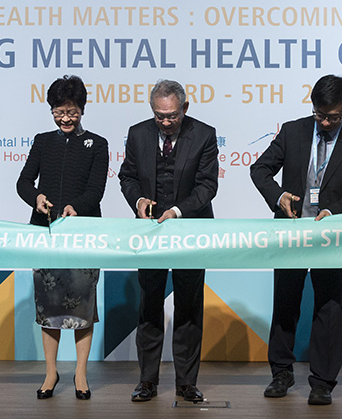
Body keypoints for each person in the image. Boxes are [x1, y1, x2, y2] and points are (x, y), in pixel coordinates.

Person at [250, 74, 342, 406]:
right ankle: (281, 373)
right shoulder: (293, 131)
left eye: (333, 116)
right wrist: (279, 197)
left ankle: (322, 382)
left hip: (331, 238)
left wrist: (334, 212)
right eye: (319, 114)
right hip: (290, 234)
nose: (325, 122)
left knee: (329, 310)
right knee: (285, 305)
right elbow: (260, 169)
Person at [118, 80, 219, 403]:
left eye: (172, 116)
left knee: (189, 307)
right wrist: (138, 201)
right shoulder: (137, 134)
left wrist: (177, 211)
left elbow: (207, 187)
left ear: (184, 109)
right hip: (150, 233)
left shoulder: (204, 134)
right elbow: (128, 177)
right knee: (149, 304)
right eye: (159, 115)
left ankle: (186, 383)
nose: (165, 122)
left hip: (190, 230)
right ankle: (147, 381)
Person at [16, 75, 108, 401]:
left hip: (83, 234)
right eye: (59, 111)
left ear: (82, 109)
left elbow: (96, 191)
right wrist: (37, 198)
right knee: (49, 306)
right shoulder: (43, 141)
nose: (65, 118)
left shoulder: (97, 144)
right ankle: (51, 372)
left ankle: (80, 372)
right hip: (46, 233)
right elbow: (24, 182)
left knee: (83, 306)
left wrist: (76, 207)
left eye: (71, 111)